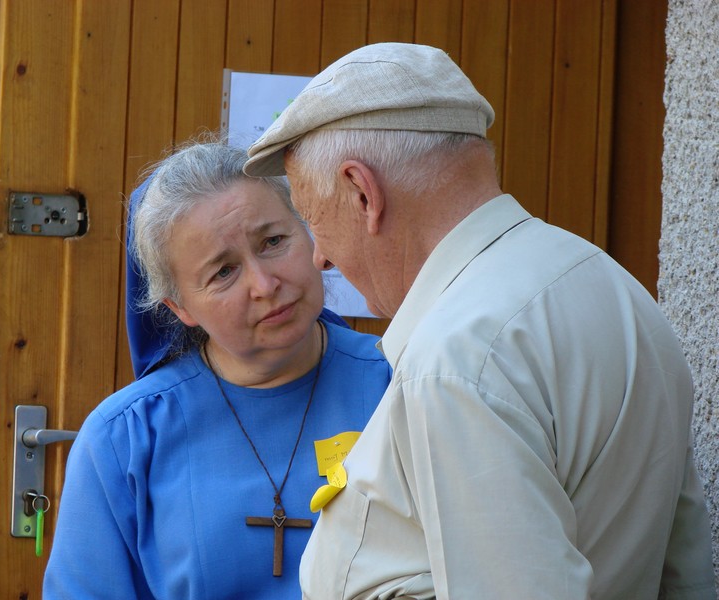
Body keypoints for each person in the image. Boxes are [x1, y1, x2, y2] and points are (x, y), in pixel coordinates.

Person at [243, 43, 716, 599]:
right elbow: (685, 570)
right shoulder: (612, 285)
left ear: (362, 192)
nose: (320, 256)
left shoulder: (456, 356)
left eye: (314, 218)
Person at [43, 141, 391, 599]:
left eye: (273, 242)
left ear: (311, 234)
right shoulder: (123, 440)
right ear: (179, 307)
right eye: (224, 272)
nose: (264, 285)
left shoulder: (400, 381)